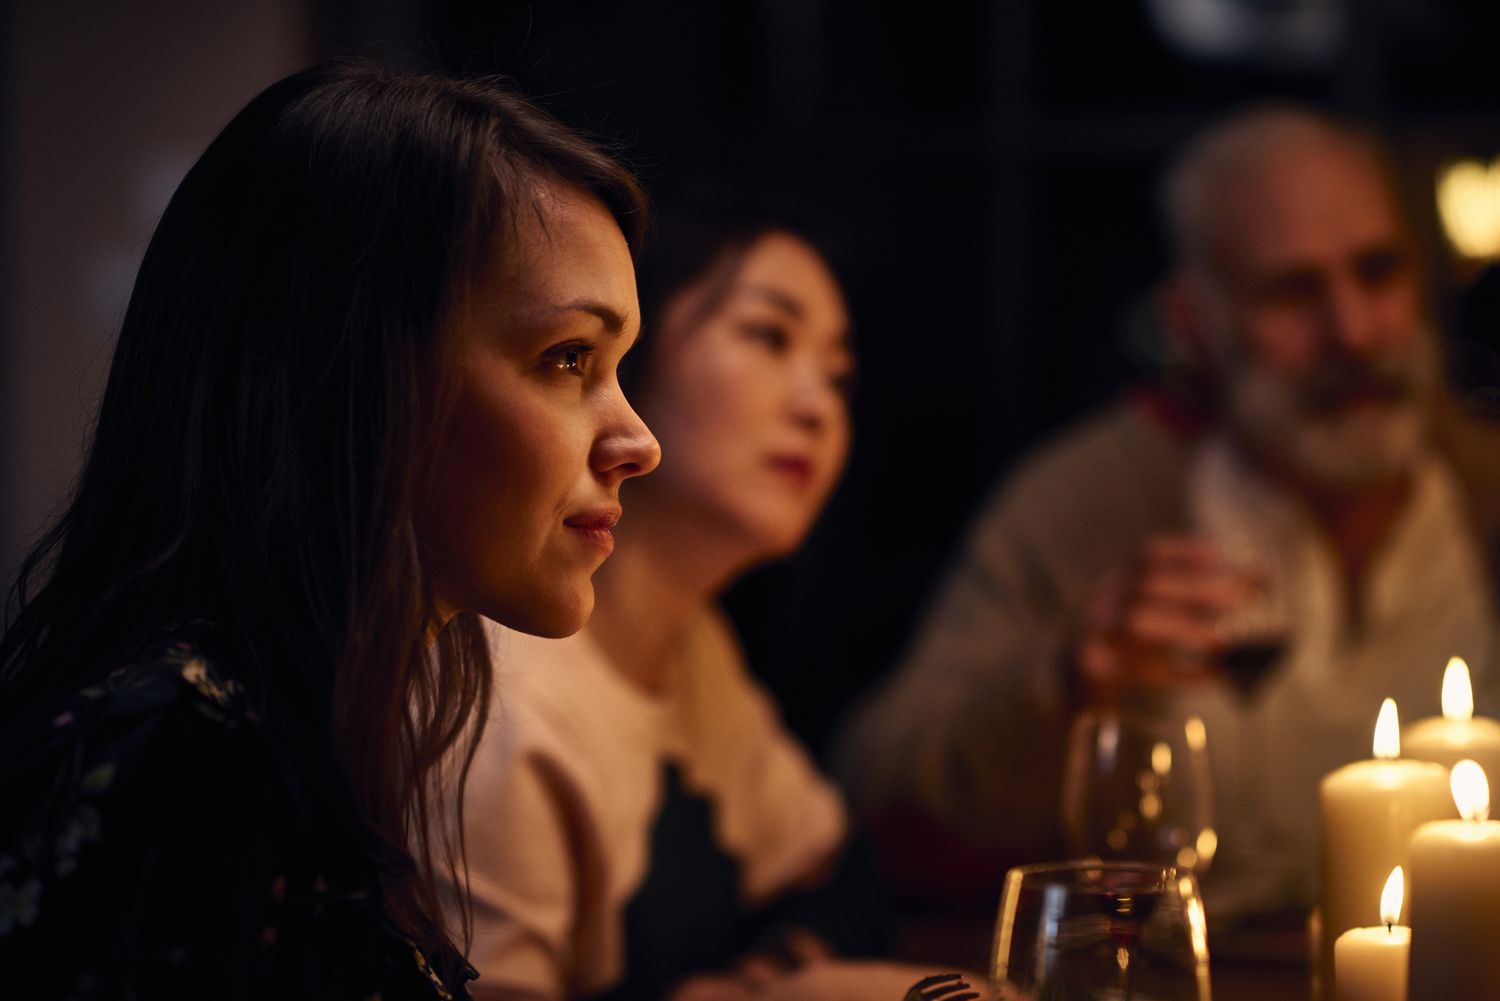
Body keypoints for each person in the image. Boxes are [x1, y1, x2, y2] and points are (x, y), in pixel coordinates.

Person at [0, 62, 659, 999]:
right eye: (567, 358)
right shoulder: (183, 762)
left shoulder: (279, 734)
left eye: (617, 365)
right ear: (357, 372)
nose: (639, 440)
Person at [833, 105, 1500, 918]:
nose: (1354, 332)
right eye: (1293, 292)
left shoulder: (1480, 484)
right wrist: (1065, 683)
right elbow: (881, 794)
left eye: (1379, 270)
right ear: (1195, 320)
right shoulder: (1093, 502)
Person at [448, 195, 883, 1001]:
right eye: (769, 335)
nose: (819, 406)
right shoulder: (501, 699)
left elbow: (840, 879)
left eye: (839, 374)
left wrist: (763, 975)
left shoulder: (693, 651)